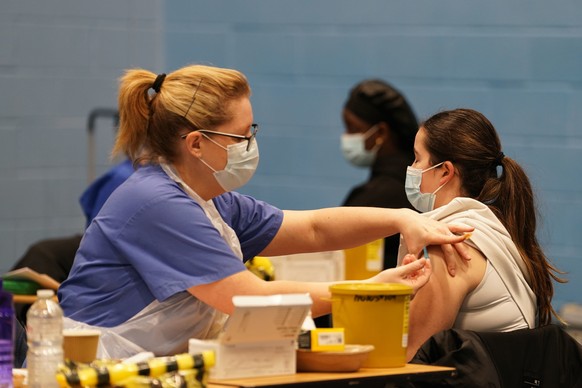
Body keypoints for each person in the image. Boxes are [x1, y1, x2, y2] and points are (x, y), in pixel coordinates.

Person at [57, 64, 472, 359]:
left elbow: (312, 230)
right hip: (90, 365)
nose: (250, 145)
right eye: (241, 135)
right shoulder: (157, 203)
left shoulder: (212, 199)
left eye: (251, 132)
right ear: (197, 143)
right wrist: (367, 290)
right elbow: (248, 299)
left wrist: (402, 218)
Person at [400, 108, 566, 360]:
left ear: (445, 171)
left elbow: (409, 357)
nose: (411, 168)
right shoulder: (492, 229)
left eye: (417, 158)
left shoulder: (452, 241)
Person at [340, 79, 419, 269]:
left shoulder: (372, 197)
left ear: (381, 132)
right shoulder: (418, 187)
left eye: (353, 128)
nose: (346, 137)